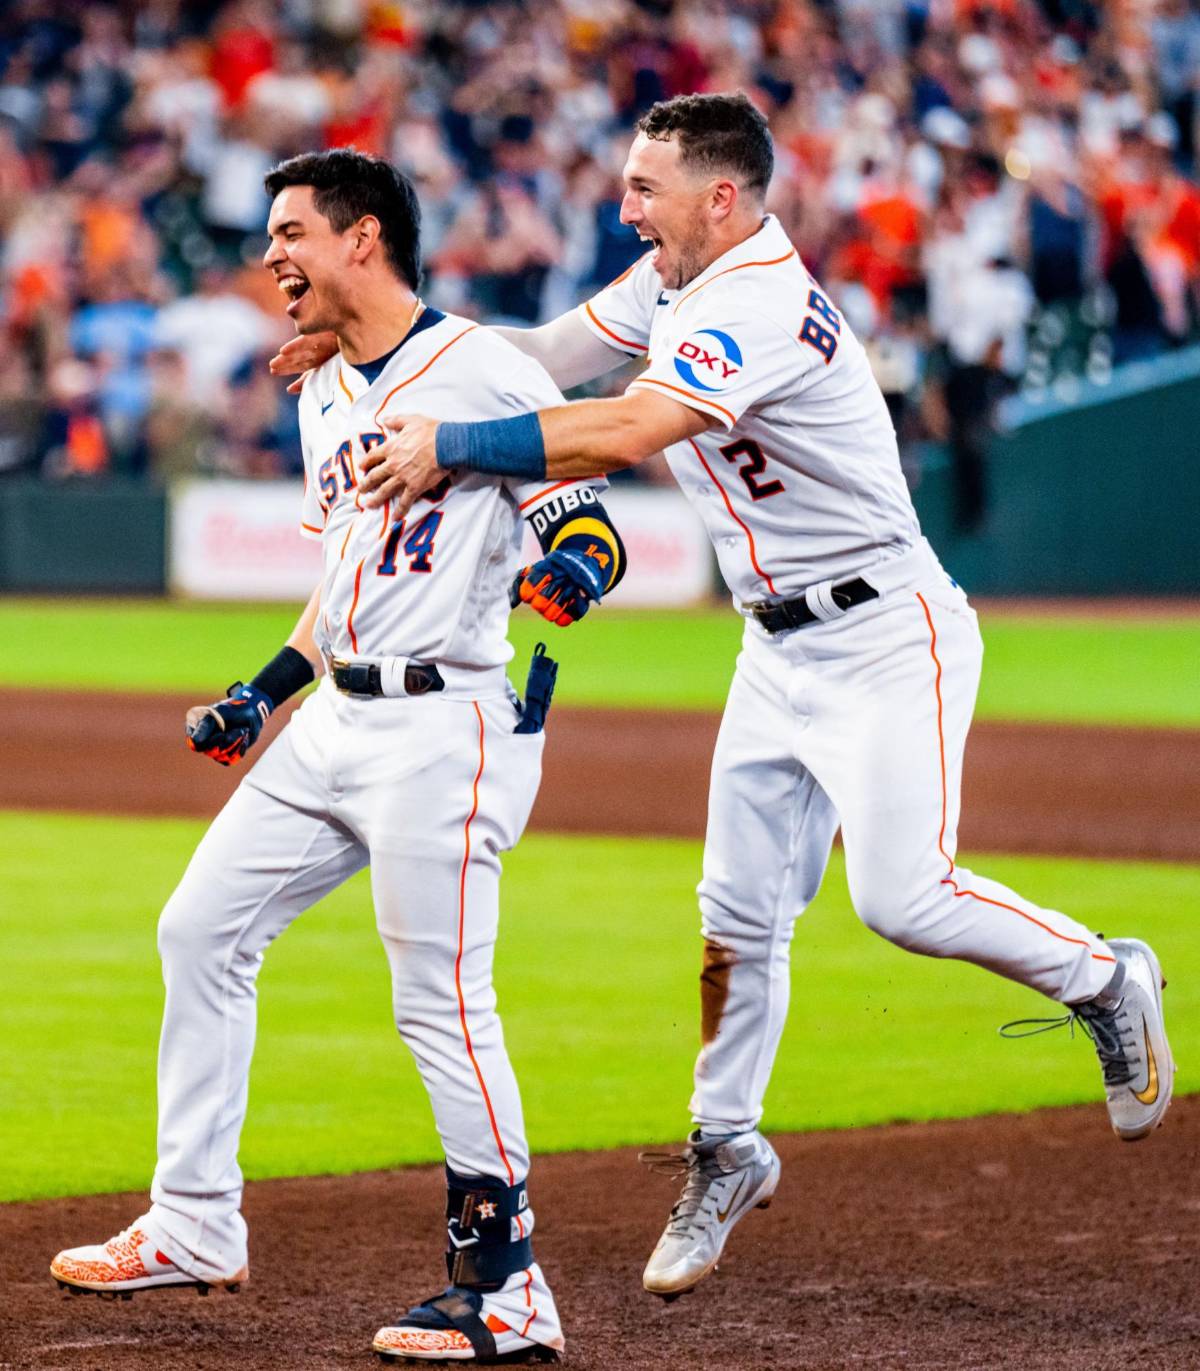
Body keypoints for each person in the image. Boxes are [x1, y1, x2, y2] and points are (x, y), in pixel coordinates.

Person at [271, 94, 1174, 1305]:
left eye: (645, 188)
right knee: (734, 917)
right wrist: (365, 339)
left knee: (903, 896)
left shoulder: (752, 300)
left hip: (884, 630)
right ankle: (726, 1146)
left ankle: (1104, 978)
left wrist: (454, 442)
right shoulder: (670, 283)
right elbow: (533, 357)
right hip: (775, 646)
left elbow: (634, 426)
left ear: (723, 198)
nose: (624, 205)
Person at [49, 148, 630, 1366]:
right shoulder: (323, 385)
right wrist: (263, 692)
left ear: (364, 238)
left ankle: (510, 1287)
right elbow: (340, 580)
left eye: (293, 231)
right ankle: (196, 1223)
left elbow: (585, 516)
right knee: (199, 930)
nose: (273, 256)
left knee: (441, 1002)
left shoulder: (478, 366)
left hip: (446, 725)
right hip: (337, 725)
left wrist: (568, 568)